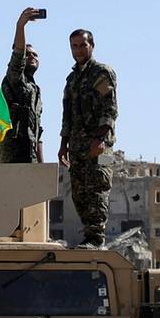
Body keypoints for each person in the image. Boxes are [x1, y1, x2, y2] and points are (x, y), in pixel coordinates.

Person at [58, 29, 118, 249]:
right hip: (77, 146)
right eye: (74, 46)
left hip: (100, 147)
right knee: (79, 192)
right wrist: (63, 145)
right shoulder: (72, 79)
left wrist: (100, 138)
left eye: (82, 45)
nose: (78, 50)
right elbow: (67, 115)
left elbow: (110, 109)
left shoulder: (102, 73)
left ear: (91, 45)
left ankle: (96, 237)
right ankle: (88, 236)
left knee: (98, 188)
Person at [0, 7, 43, 164]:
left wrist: (41, 165)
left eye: (35, 54)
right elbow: (18, 55)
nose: (32, 56)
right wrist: (20, 26)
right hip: (13, 154)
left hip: (30, 155)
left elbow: (38, 131)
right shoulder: (15, 78)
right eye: (28, 53)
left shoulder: (35, 90)